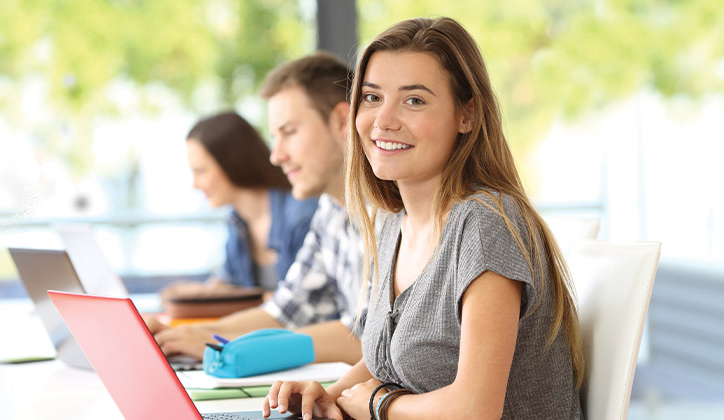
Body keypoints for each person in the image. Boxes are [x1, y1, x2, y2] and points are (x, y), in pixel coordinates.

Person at [263, 17, 586, 420]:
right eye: (372, 97)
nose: (383, 120)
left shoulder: (486, 224)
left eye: (414, 100)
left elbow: (475, 409)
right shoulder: (391, 224)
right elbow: (388, 357)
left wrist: (378, 405)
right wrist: (329, 395)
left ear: (466, 115)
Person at [149, 52, 366, 365]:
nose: (276, 156)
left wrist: (226, 346)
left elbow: (372, 338)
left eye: (289, 132)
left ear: (342, 121)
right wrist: (197, 334)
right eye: (274, 136)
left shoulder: (394, 212)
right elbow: (284, 313)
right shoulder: (329, 213)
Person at [182, 111, 318, 292]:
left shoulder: (302, 214)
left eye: (200, 171)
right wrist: (194, 294)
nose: (194, 184)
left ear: (232, 163)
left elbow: (299, 302)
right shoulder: (237, 221)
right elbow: (229, 280)